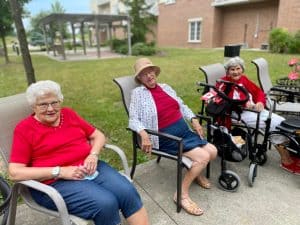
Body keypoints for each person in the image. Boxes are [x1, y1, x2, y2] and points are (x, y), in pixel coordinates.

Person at [8, 80, 149, 225]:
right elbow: (15, 173)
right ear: (33, 106)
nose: (50, 109)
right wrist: (59, 171)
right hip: (54, 183)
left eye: (54, 102)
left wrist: (93, 155)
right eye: (43, 104)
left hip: (90, 167)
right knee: (105, 203)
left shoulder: (68, 114)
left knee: (127, 191)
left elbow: (98, 135)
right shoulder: (24, 129)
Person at [128, 58, 218, 216]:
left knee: (213, 151)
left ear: (155, 73)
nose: (149, 76)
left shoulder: (166, 87)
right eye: (144, 74)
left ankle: (194, 172)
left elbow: (182, 105)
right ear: (140, 79)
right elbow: (133, 119)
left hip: (184, 132)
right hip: (165, 137)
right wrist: (143, 134)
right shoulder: (138, 94)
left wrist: (194, 120)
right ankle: (181, 195)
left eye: (150, 72)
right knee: (203, 157)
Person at [218, 56, 299, 175]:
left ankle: (289, 152)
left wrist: (260, 101)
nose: (236, 72)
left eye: (238, 68)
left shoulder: (243, 79)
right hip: (238, 114)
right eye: (232, 69)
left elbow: (258, 92)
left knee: (282, 122)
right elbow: (225, 101)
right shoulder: (224, 84)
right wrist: (245, 104)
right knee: (275, 125)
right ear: (227, 71)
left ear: (242, 69)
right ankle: (285, 159)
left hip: (254, 110)